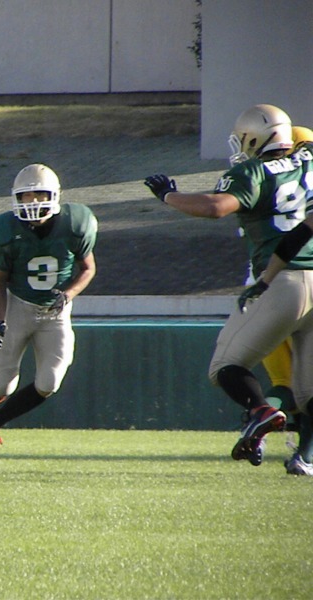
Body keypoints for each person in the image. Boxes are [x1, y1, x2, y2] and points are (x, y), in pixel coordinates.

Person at [143, 103, 313, 468]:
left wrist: (168, 195)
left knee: (225, 365)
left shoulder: (253, 171)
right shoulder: (309, 160)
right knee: (308, 390)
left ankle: (261, 411)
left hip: (285, 281)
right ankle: (306, 459)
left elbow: (215, 206)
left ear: (253, 138)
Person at [0, 164, 97, 446]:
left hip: (55, 312)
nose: (33, 202)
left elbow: (88, 268)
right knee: (4, 384)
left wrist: (68, 294)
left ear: (54, 195)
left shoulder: (75, 224)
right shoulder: (6, 230)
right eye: (27, 196)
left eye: (40, 195)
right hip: (18, 306)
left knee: (49, 383)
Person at [234, 128, 313, 476]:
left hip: (261, 291)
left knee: (283, 383)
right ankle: (305, 457)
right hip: (303, 288)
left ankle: (259, 419)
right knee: (308, 388)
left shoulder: (258, 183)